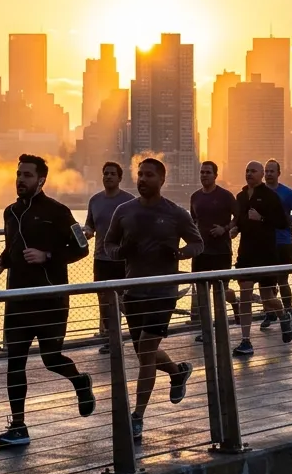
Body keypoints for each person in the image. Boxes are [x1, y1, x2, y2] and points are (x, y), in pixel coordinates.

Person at [0, 155, 94, 447]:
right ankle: (18, 426)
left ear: (41, 180)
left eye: (27, 175)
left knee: (51, 359)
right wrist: (2, 261)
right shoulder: (10, 212)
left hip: (51, 298)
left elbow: (82, 247)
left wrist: (47, 256)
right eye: (18, 174)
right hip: (18, 301)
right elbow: (13, 248)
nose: (20, 179)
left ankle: (80, 381)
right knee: (15, 363)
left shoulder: (59, 212)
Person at [104, 158, 203, 441]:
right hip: (132, 293)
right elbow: (108, 245)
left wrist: (180, 254)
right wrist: (121, 251)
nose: (143, 179)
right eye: (140, 175)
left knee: (146, 352)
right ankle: (177, 372)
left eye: (149, 175)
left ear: (162, 179)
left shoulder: (176, 213)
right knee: (143, 353)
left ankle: (137, 416)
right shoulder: (124, 211)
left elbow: (198, 244)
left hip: (163, 293)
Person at [230, 160, 292, 357]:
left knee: (267, 298)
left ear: (261, 175)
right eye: (247, 170)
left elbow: (283, 222)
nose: (249, 174)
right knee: (246, 294)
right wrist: (234, 228)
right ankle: (246, 341)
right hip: (246, 253)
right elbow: (239, 219)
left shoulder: (270, 196)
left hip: (266, 253)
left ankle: (283, 315)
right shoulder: (240, 196)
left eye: (253, 171)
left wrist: (262, 219)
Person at [83, 162, 134, 353]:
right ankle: (112, 340)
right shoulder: (95, 200)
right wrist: (87, 232)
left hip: (123, 260)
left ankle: (137, 335)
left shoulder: (129, 201)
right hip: (101, 259)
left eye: (112, 174)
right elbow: (90, 225)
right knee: (104, 302)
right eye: (105, 173)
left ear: (120, 178)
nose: (108, 177)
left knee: (126, 300)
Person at [190, 160, 239, 337]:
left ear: (215, 175)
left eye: (208, 172)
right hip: (201, 252)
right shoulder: (195, 197)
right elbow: (193, 220)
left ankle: (234, 304)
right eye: (202, 172)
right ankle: (207, 330)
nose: (204, 175)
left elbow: (238, 217)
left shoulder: (225, 196)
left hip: (221, 251)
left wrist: (225, 229)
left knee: (222, 292)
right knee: (202, 294)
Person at [261, 159, 292, 329]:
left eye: (272, 171)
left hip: (284, 243)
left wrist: (284, 220)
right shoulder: (259, 192)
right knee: (267, 281)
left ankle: (288, 311)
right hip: (264, 243)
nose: (269, 174)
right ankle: (270, 313)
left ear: (279, 173)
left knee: (282, 280)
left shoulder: (287, 193)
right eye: (266, 171)